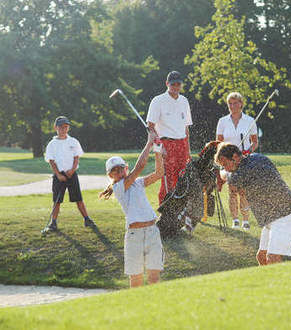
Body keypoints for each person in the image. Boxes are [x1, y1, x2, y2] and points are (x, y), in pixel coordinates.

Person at [215, 142, 291, 265]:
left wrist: (221, 171)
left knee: (272, 258)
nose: (226, 168)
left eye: (225, 164)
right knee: (261, 257)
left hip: (285, 216)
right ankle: (267, 283)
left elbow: (227, 178)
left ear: (235, 156)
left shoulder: (240, 173)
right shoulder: (258, 157)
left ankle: (280, 284)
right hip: (271, 217)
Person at [99, 132, 164, 288]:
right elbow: (140, 166)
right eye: (115, 171)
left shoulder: (138, 183)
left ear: (125, 168)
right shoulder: (118, 187)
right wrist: (149, 143)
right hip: (134, 235)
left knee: (154, 278)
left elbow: (159, 173)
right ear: (110, 175)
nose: (119, 173)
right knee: (136, 279)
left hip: (152, 231)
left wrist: (157, 150)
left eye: (121, 169)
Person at [146, 70, 192, 205]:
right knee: (167, 179)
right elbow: (150, 127)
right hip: (165, 143)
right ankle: (165, 209)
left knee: (182, 178)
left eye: (178, 84)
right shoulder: (158, 101)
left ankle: (179, 210)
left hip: (182, 143)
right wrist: (160, 147)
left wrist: (188, 150)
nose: (176, 87)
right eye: (173, 84)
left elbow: (186, 128)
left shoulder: (184, 101)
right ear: (167, 84)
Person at [44, 116, 95, 231]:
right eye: (61, 127)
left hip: (72, 174)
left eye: (66, 127)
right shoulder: (52, 144)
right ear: (56, 128)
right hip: (59, 176)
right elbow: (51, 161)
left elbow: (76, 158)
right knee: (57, 201)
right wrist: (58, 174)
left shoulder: (73, 141)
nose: (64, 129)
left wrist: (72, 170)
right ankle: (53, 223)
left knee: (78, 199)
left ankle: (87, 219)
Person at [216, 92, 258, 230]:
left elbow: (254, 142)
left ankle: (245, 220)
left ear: (241, 104)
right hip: (228, 162)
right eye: (230, 103)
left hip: (244, 160)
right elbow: (219, 143)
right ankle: (235, 220)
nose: (232, 106)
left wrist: (247, 152)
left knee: (243, 191)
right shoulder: (222, 121)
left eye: (235, 103)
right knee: (232, 190)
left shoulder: (249, 120)